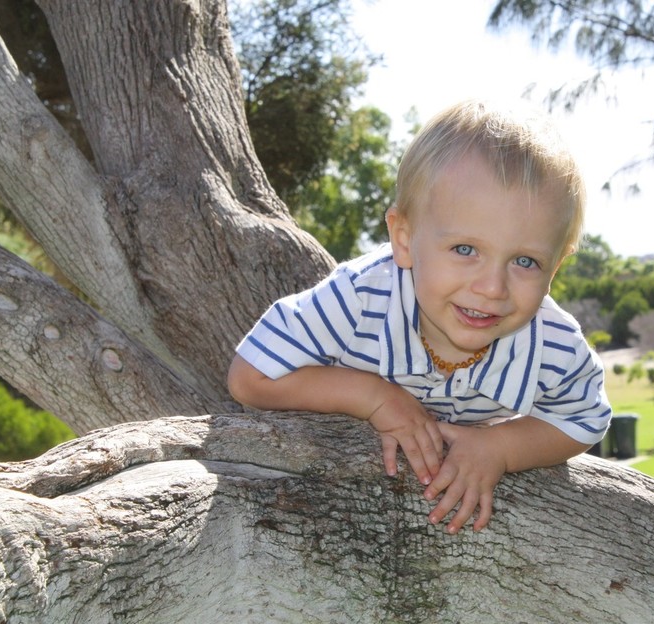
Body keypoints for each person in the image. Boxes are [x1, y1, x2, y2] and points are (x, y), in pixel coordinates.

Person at [227, 99, 612, 534]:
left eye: (525, 261)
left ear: (556, 265)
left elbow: (584, 419)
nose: (492, 287)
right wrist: (374, 398)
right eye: (465, 250)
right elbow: (251, 376)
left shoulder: (551, 342)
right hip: (311, 510)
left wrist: (501, 447)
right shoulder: (360, 297)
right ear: (404, 239)